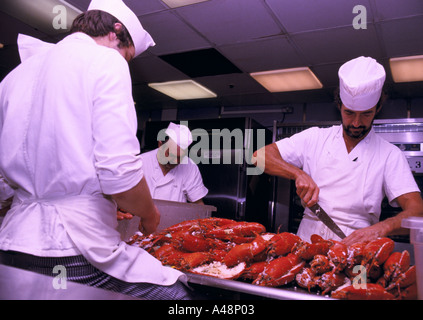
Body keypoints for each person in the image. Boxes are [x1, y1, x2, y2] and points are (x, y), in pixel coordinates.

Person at [0, 0, 198, 300]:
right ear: (116, 31)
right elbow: (119, 171)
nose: (124, 62)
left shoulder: (15, 76)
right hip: (72, 248)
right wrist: (148, 215)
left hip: (13, 243)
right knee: (183, 298)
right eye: (127, 56)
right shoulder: (105, 60)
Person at [253, 56, 423, 246]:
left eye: (366, 113)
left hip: (355, 249)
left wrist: (382, 228)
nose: (357, 123)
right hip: (308, 244)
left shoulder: (390, 155)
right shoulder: (315, 138)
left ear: (378, 108)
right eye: (349, 113)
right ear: (339, 105)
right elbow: (259, 157)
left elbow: (417, 210)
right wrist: (297, 173)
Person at [117, 122, 208, 220]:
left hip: (175, 227)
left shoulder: (190, 167)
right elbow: (120, 198)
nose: (174, 161)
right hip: (139, 224)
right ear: (160, 144)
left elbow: (198, 205)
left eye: (179, 157)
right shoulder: (140, 163)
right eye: (170, 154)